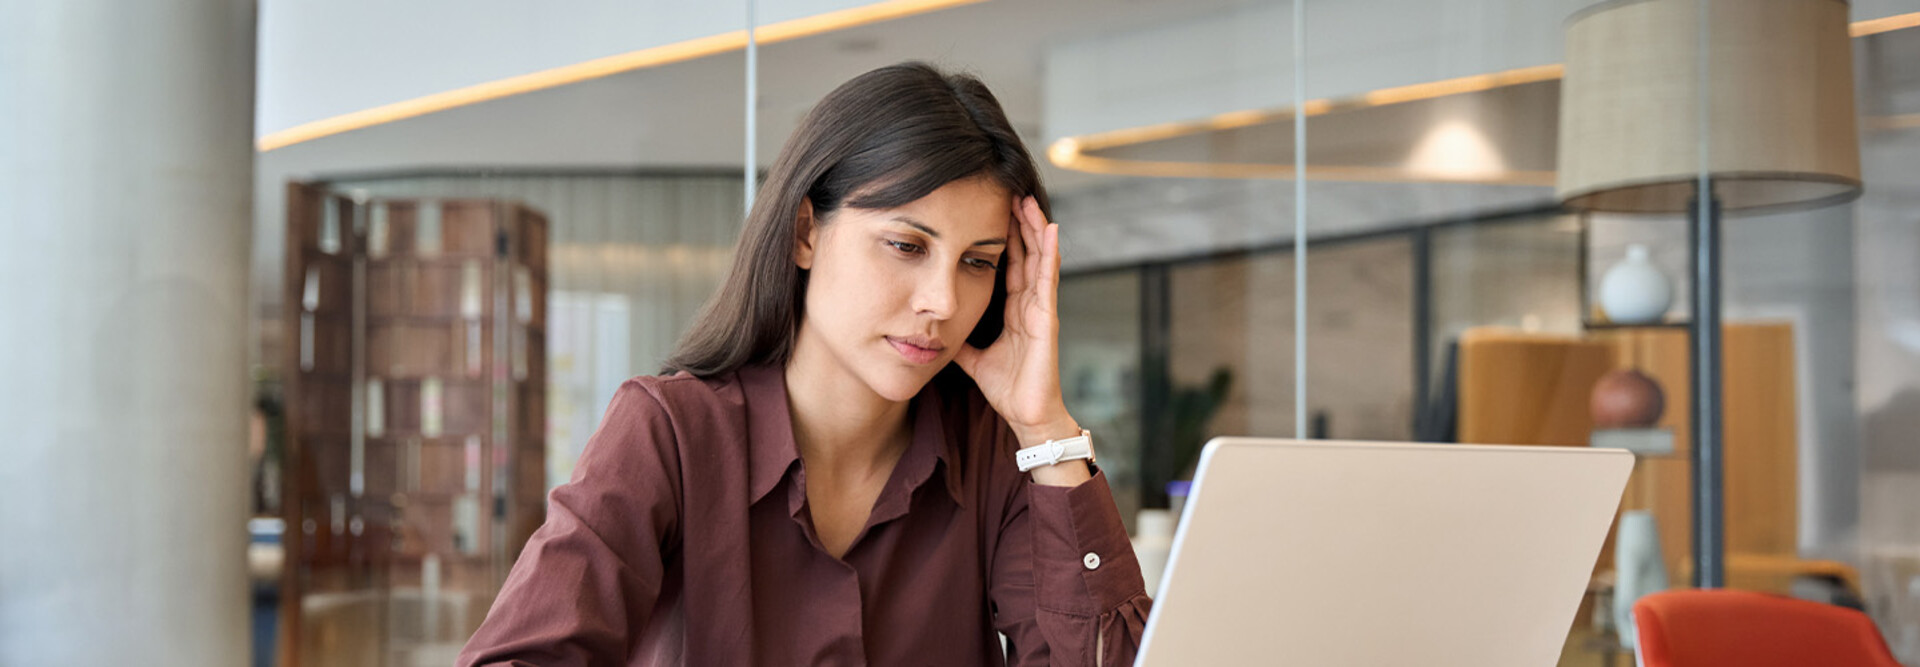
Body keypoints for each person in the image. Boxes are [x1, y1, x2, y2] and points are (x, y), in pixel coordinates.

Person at [457, 61, 1151, 667]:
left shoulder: (999, 455)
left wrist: (1045, 426)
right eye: (907, 246)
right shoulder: (671, 432)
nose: (942, 301)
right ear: (805, 232)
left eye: (978, 262)